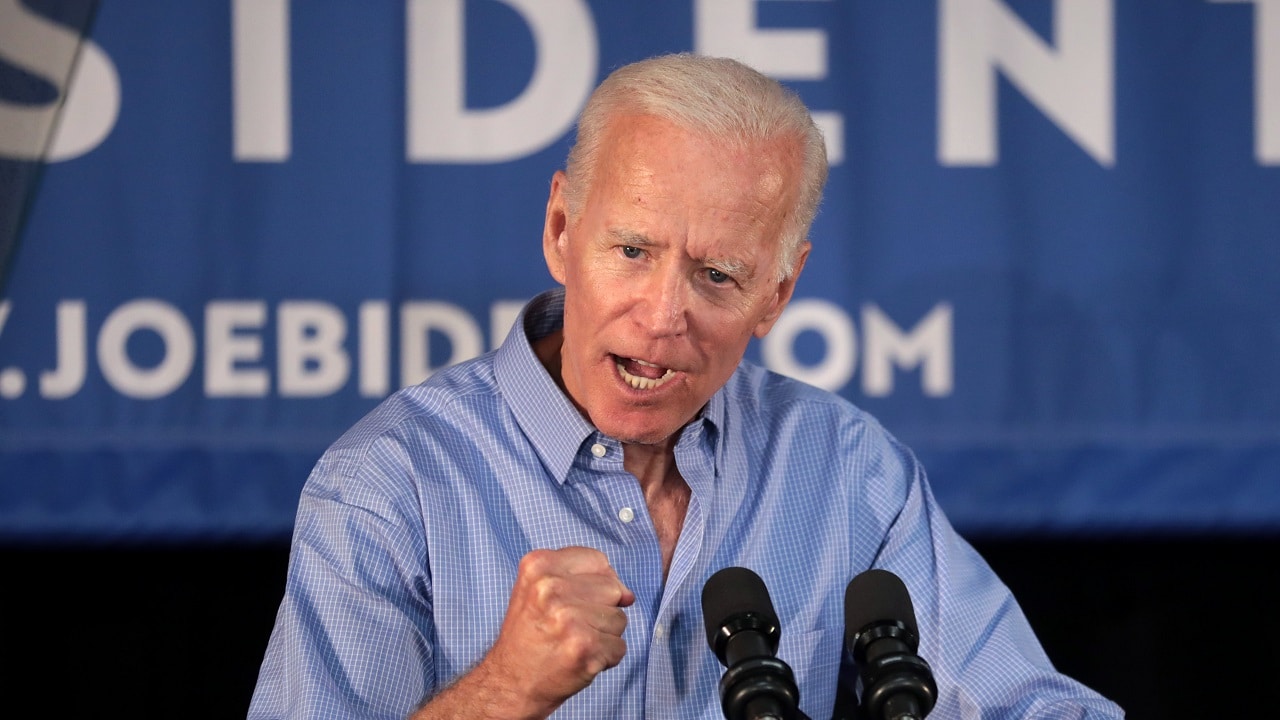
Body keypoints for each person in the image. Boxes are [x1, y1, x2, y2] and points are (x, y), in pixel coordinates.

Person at [248, 53, 1123, 719]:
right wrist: (507, 687)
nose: (664, 314)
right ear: (561, 229)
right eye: (632, 252)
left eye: (717, 276)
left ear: (777, 293)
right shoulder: (385, 485)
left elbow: (1027, 703)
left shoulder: (846, 470)